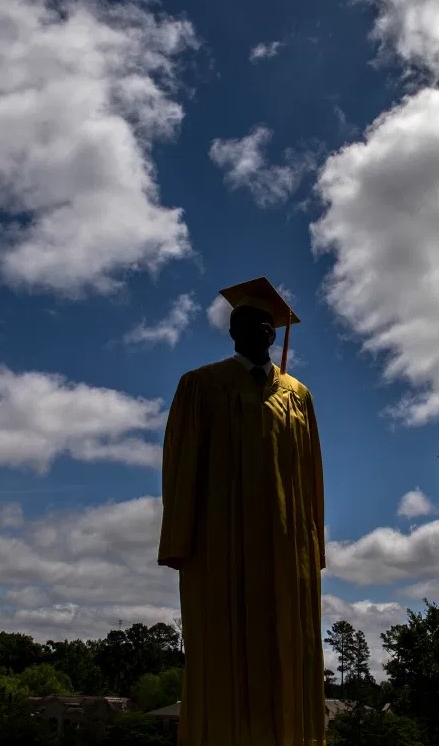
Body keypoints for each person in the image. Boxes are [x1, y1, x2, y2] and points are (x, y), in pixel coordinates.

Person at [158, 277, 325, 746]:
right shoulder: (200, 385)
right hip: (221, 545)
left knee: (286, 650)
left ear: (275, 333)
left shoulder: (299, 395)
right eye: (247, 321)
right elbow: (179, 465)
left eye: (266, 324)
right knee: (222, 654)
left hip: (287, 552)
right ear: (232, 330)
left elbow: (311, 475)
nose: (258, 330)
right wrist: (179, 542)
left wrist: (312, 550)